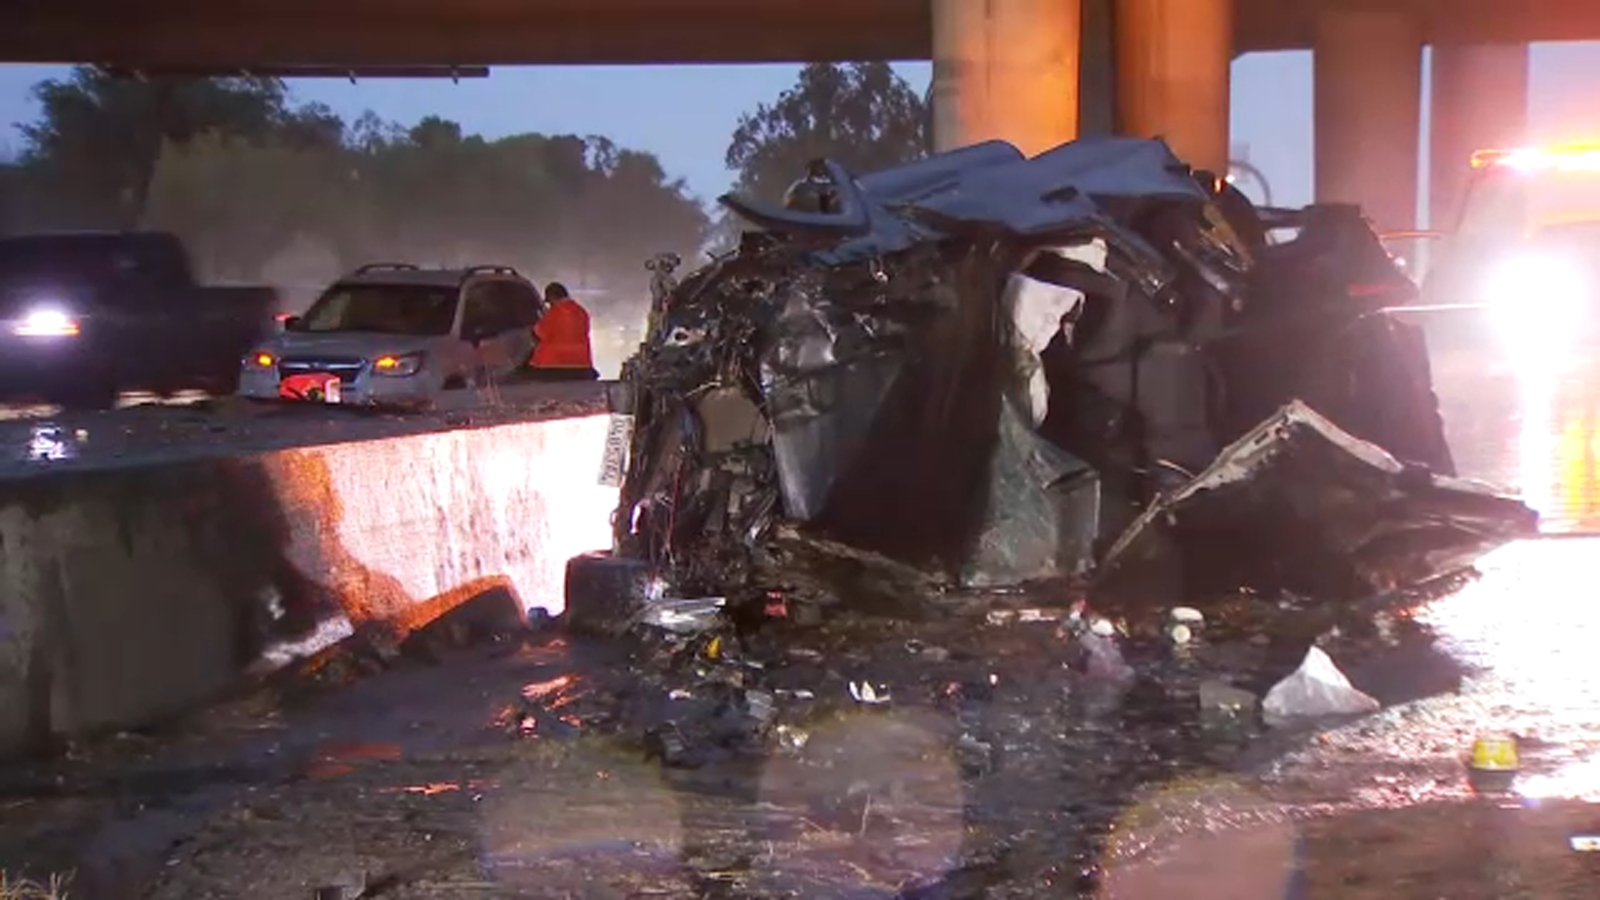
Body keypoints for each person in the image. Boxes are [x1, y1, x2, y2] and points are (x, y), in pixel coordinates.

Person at [529, 281, 599, 381]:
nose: (550, 305)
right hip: (581, 364)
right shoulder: (581, 312)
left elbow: (539, 333)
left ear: (552, 297)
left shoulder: (555, 312)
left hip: (552, 365)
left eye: (549, 302)